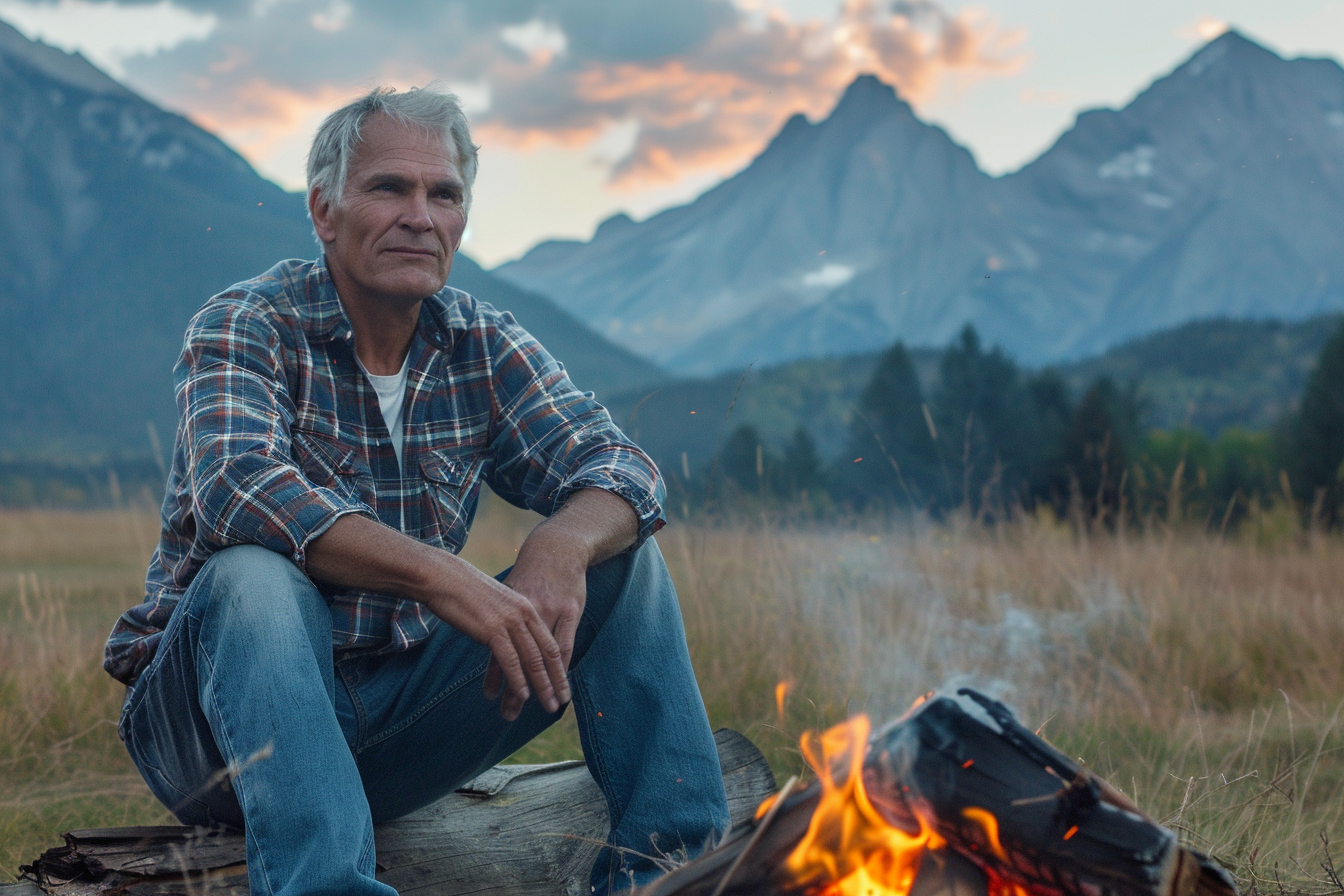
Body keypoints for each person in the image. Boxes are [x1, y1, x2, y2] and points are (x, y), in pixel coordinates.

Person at [103, 84, 730, 896]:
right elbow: (238, 486)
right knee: (252, 576)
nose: (420, 215)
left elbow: (622, 467)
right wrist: (444, 576)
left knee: (623, 561)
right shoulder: (246, 323)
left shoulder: (479, 343)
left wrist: (562, 542)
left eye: (444, 194)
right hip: (214, 739)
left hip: (395, 722)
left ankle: (672, 873)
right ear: (324, 210)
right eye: (389, 188)